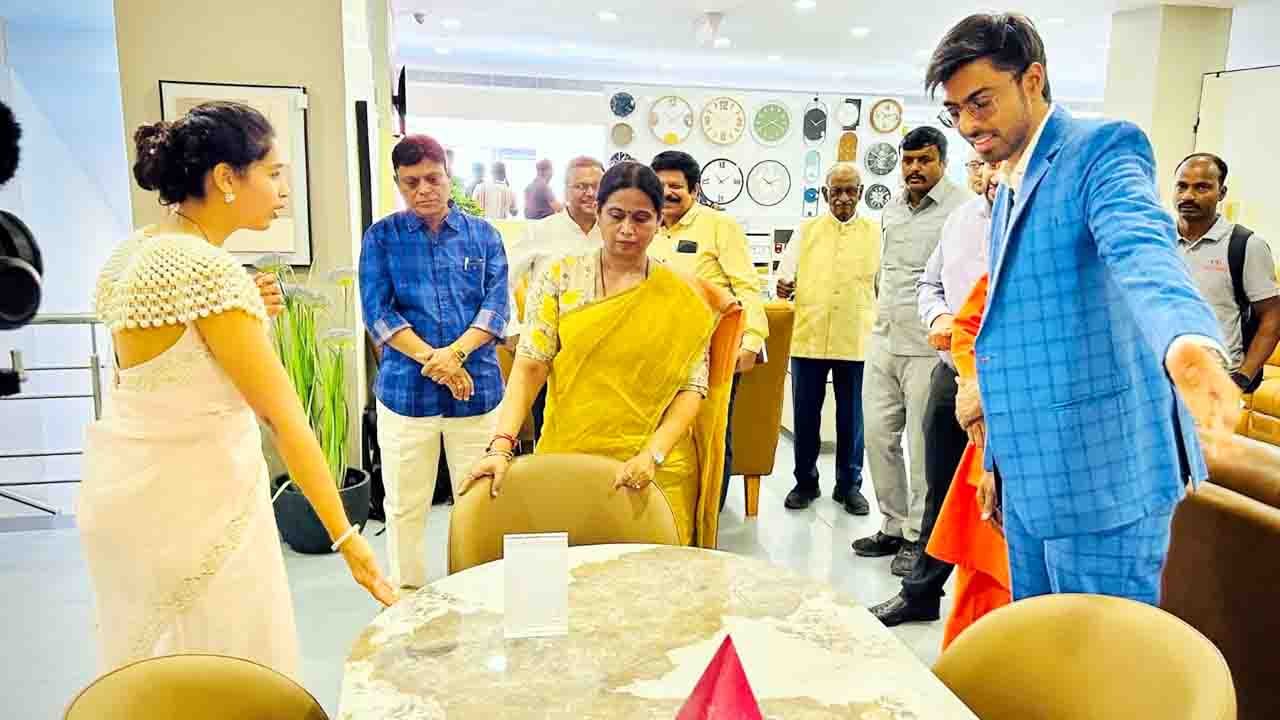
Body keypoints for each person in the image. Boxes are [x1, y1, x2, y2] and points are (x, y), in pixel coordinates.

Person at [928, 13, 1239, 603]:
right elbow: (1012, 329)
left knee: (1099, 653)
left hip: (1103, 476)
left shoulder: (1101, 150)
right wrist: (996, 461)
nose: (968, 125)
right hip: (1030, 476)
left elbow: (1140, 247)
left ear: (1032, 80)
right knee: (1041, 645)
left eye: (981, 102)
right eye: (956, 110)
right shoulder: (1009, 179)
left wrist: (1187, 342)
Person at [81, 101, 395, 677]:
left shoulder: (134, 251)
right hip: (201, 508)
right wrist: (347, 537)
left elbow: (163, 372)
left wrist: (247, 305)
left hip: (132, 495)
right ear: (227, 178)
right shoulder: (208, 270)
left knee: (157, 674)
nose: (284, 190)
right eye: (273, 173)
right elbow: (282, 417)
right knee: (225, 673)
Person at [461, 162, 745, 547]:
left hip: (655, 467)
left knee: (654, 576)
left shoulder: (683, 295)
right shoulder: (560, 277)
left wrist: (652, 455)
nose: (627, 229)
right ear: (598, 213)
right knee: (569, 571)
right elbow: (529, 368)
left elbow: (692, 389)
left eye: (641, 218)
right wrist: (501, 446)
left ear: (659, 221)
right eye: (616, 215)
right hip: (570, 457)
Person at [359, 134, 509, 590]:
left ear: (448, 175)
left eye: (432, 178)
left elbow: (496, 308)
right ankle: (405, 595)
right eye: (411, 183)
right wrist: (438, 361)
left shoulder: (484, 235)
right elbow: (378, 313)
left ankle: (477, 591)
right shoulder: (382, 238)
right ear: (398, 184)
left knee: (479, 502)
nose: (423, 190)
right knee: (405, 505)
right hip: (406, 395)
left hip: (477, 392)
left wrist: (456, 355)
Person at [872, 160, 1000, 626]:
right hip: (953, 373)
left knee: (997, 498)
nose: (990, 175)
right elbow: (929, 283)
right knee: (940, 488)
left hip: (1008, 382)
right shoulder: (962, 219)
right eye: (981, 164)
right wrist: (940, 317)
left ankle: (999, 614)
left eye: (1000, 163)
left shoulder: (1039, 222)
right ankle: (921, 593)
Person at [855, 127, 967, 575]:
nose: (915, 168)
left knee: (921, 447)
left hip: (928, 348)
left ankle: (919, 536)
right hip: (883, 338)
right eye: (908, 160)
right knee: (878, 436)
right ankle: (893, 524)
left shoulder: (960, 210)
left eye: (924, 160)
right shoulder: (892, 208)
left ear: (943, 161)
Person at [648, 150, 769, 512]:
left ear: (695, 190)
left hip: (712, 350)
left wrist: (752, 340)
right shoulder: (647, 225)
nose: (667, 193)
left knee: (712, 434)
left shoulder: (719, 226)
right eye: (660, 185)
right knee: (662, 431)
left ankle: (708, 515)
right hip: (656, 352)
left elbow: (747, 286)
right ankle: (666, 511)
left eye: (675, 186)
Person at [775, 163, 878, 515]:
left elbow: (883, 286)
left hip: (856, 339)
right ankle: (805, 482)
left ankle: (849, 486)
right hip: (809, 337)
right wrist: (783, 286)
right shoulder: (806, 230)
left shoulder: (876, 233)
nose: (844, 198)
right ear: (825, 194)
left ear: (861, 193)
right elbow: (784, 276)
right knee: (806, 417)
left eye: (851, 191)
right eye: (837, 191)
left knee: (852, 419)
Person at [505, 156, 605, 441]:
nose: (589, 193)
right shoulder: (541, 231)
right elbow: (502, 278)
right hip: (548, 351)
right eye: (580, 186)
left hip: (600, 354)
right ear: (565, 189)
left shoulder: (614, 233)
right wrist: (512, 329)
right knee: (548, 432)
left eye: (596, 186)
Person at [1174, 153, 1280, 393]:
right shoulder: (1158, 241)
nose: (1188, 195)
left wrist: (1242, 378)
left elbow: (1273, 316)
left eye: (1202, 187)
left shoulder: (1246, 246)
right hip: (1158, 380)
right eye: (1182, 186)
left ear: (1221, 193)